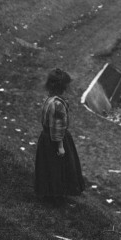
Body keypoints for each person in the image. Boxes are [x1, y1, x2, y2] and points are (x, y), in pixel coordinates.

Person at [35, 68, 85, 205]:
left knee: (48, 167)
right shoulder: (58, 104)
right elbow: (58, 127)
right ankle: (57, 197)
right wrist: (61, 146)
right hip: (56, 139)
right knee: (59, 168)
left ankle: (49, 193)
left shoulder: (49, 99)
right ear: (63, 86)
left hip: (45, 138)